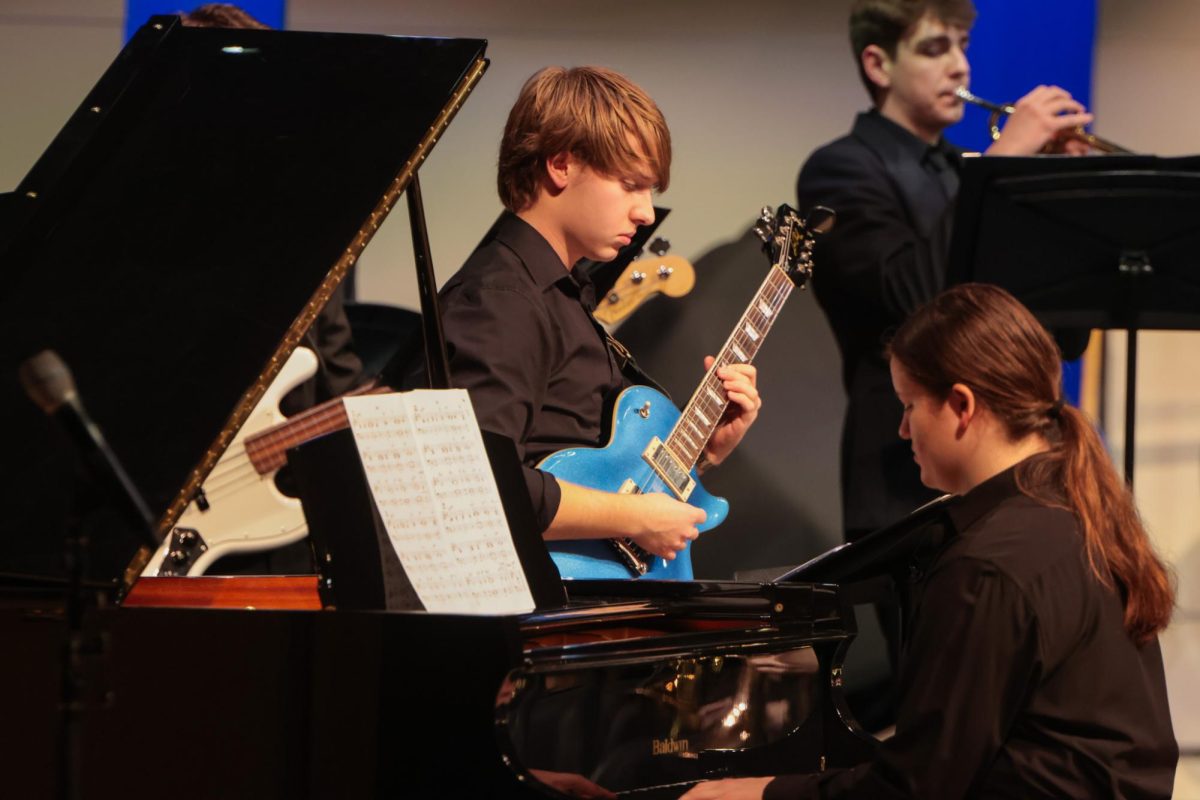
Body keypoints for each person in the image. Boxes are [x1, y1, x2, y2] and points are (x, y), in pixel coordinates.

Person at [681, 283, 1178, 799]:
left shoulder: (989, 565)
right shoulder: (1075, 511)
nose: (901, 429)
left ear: (961, 405)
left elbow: (917, 789)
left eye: (910, 404)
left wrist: (758, 794)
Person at [798, 0, 1092, 547]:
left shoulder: (967, 170)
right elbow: (911, 297)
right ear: (879, 65)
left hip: (1010, 471)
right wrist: (1002, 164)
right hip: (904, 478)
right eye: (936, 48)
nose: (960, 66)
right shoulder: (839, 169)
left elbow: (1063, 335)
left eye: (962, 47)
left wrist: (1055, 191)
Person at [438, 66, 761, 562]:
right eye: (631, 185)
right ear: (561, 165)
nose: (647, 212)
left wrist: (702, 453)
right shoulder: (502, 299)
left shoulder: (560, 294)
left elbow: (577, 455)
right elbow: (479, 481)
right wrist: (633, 518)